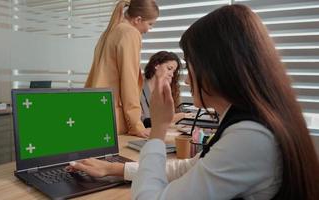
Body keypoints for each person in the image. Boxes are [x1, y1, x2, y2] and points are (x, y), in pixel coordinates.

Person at [70, 4, 319, 200]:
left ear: (217, 69)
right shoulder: (250, 122)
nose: (188, 79)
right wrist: (113, 170)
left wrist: (158, 130)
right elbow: (190, 168)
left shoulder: (250, 137)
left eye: (190, 67)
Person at [84, 0, 159, 138]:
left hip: (95, 108)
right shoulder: (130, 33)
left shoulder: (110, 31)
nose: (149, 29)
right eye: (150, 24)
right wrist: (136, 125)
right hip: (111, 114)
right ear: (138, 19)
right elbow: (128, 80)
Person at [140, 51, 186, 128]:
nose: (171, 74)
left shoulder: (172, 89)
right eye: (169, 68)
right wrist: (180, 116)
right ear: (156, 65)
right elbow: (144, 121)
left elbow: (178, 111)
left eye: (173, 71)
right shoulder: (138, 87)